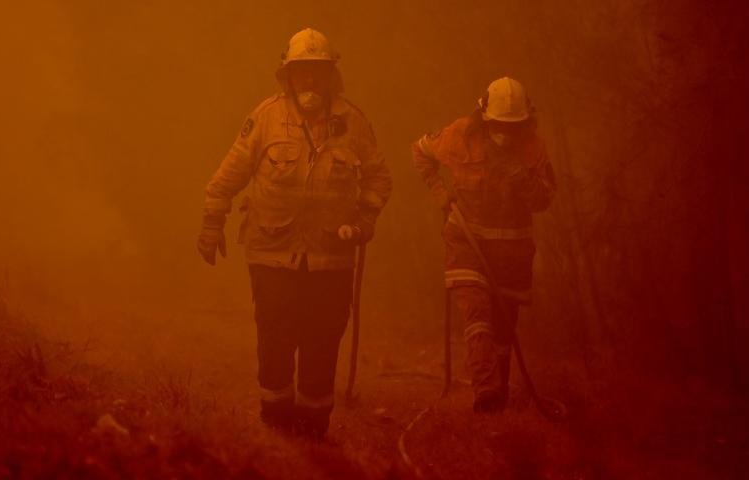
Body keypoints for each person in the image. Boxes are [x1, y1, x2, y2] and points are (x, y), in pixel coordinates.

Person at [197, 28, 392, 438]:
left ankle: (312, 431)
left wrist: (365, 221)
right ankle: (275, 424)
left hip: (332, 258)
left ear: (330, 75)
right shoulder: (265, 118)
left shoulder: (353, 123)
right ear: (287, 76)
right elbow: (227, 176)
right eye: (301, 71)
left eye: (316, 71)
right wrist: (212, 222)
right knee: (275, 335)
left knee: (323, 340)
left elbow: (378, 179)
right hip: (271, 253)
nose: (309, 80)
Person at [411, 77, 555, 412]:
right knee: (477, 316)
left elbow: (544, 199)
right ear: (483, 118)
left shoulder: (534, 149)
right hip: (466, 244)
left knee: (504, 330)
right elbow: (420, 151)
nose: (504, 133)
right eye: (497, 125)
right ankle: (486, 392)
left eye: (513, 126)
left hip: (512, 255)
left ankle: (499, 391)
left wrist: (523, 179)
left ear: (525, 123)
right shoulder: (461, 135)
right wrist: (439, 193)